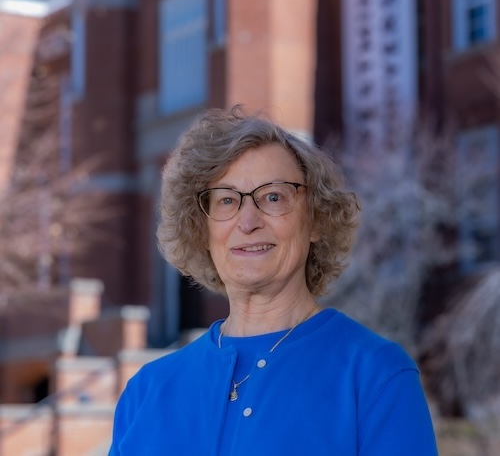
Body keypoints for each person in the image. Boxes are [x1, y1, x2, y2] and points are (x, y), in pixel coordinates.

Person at [109, 105, 438, 455]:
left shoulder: (375, 376)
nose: (247, 221)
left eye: (273, 197)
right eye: (226, 200)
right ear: (201, 229)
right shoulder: (146, 391)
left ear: (316, 221)